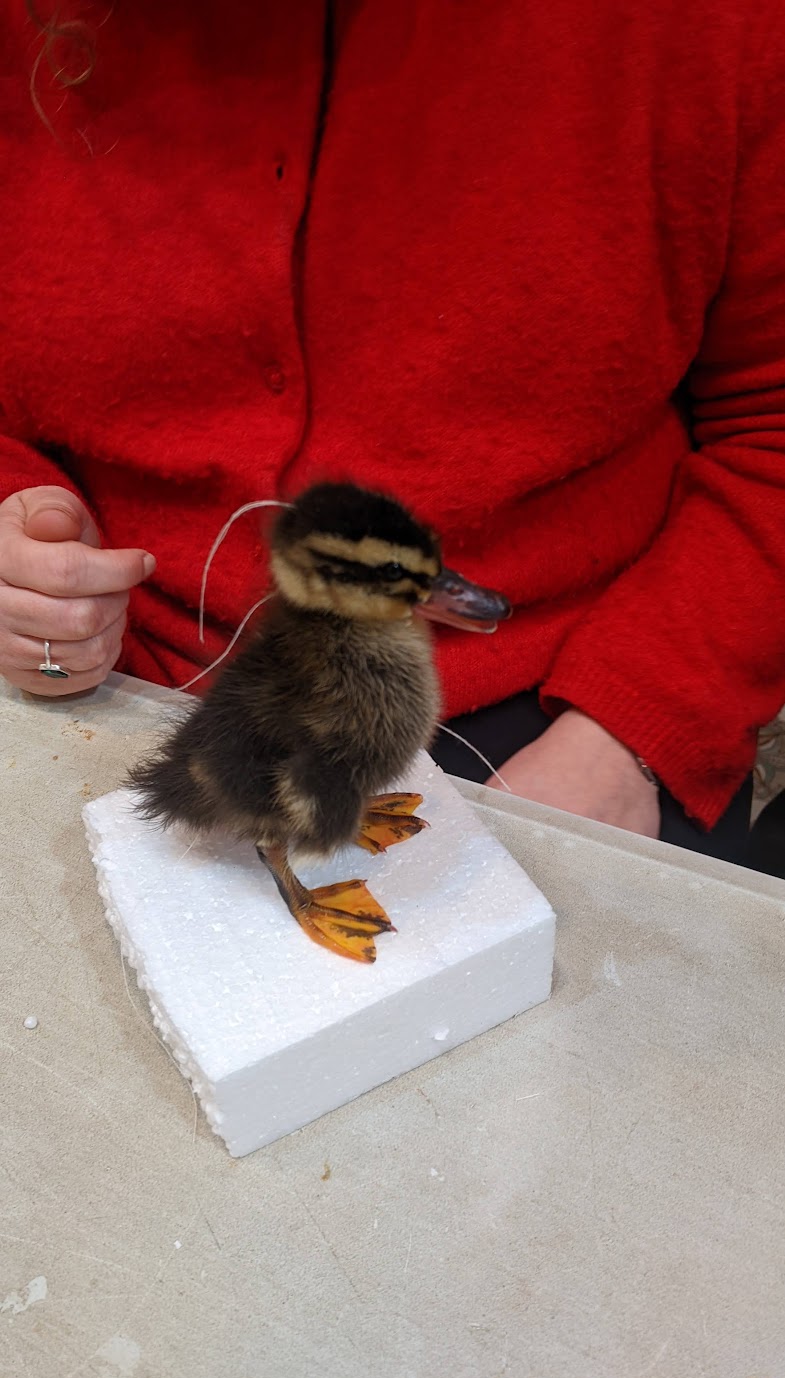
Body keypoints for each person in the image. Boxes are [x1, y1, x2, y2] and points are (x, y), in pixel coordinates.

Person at [1, 0, 783, 866]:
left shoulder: (704, 31)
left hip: (570, 703)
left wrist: (637, 723)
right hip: (101, 672)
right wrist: (19, 533)